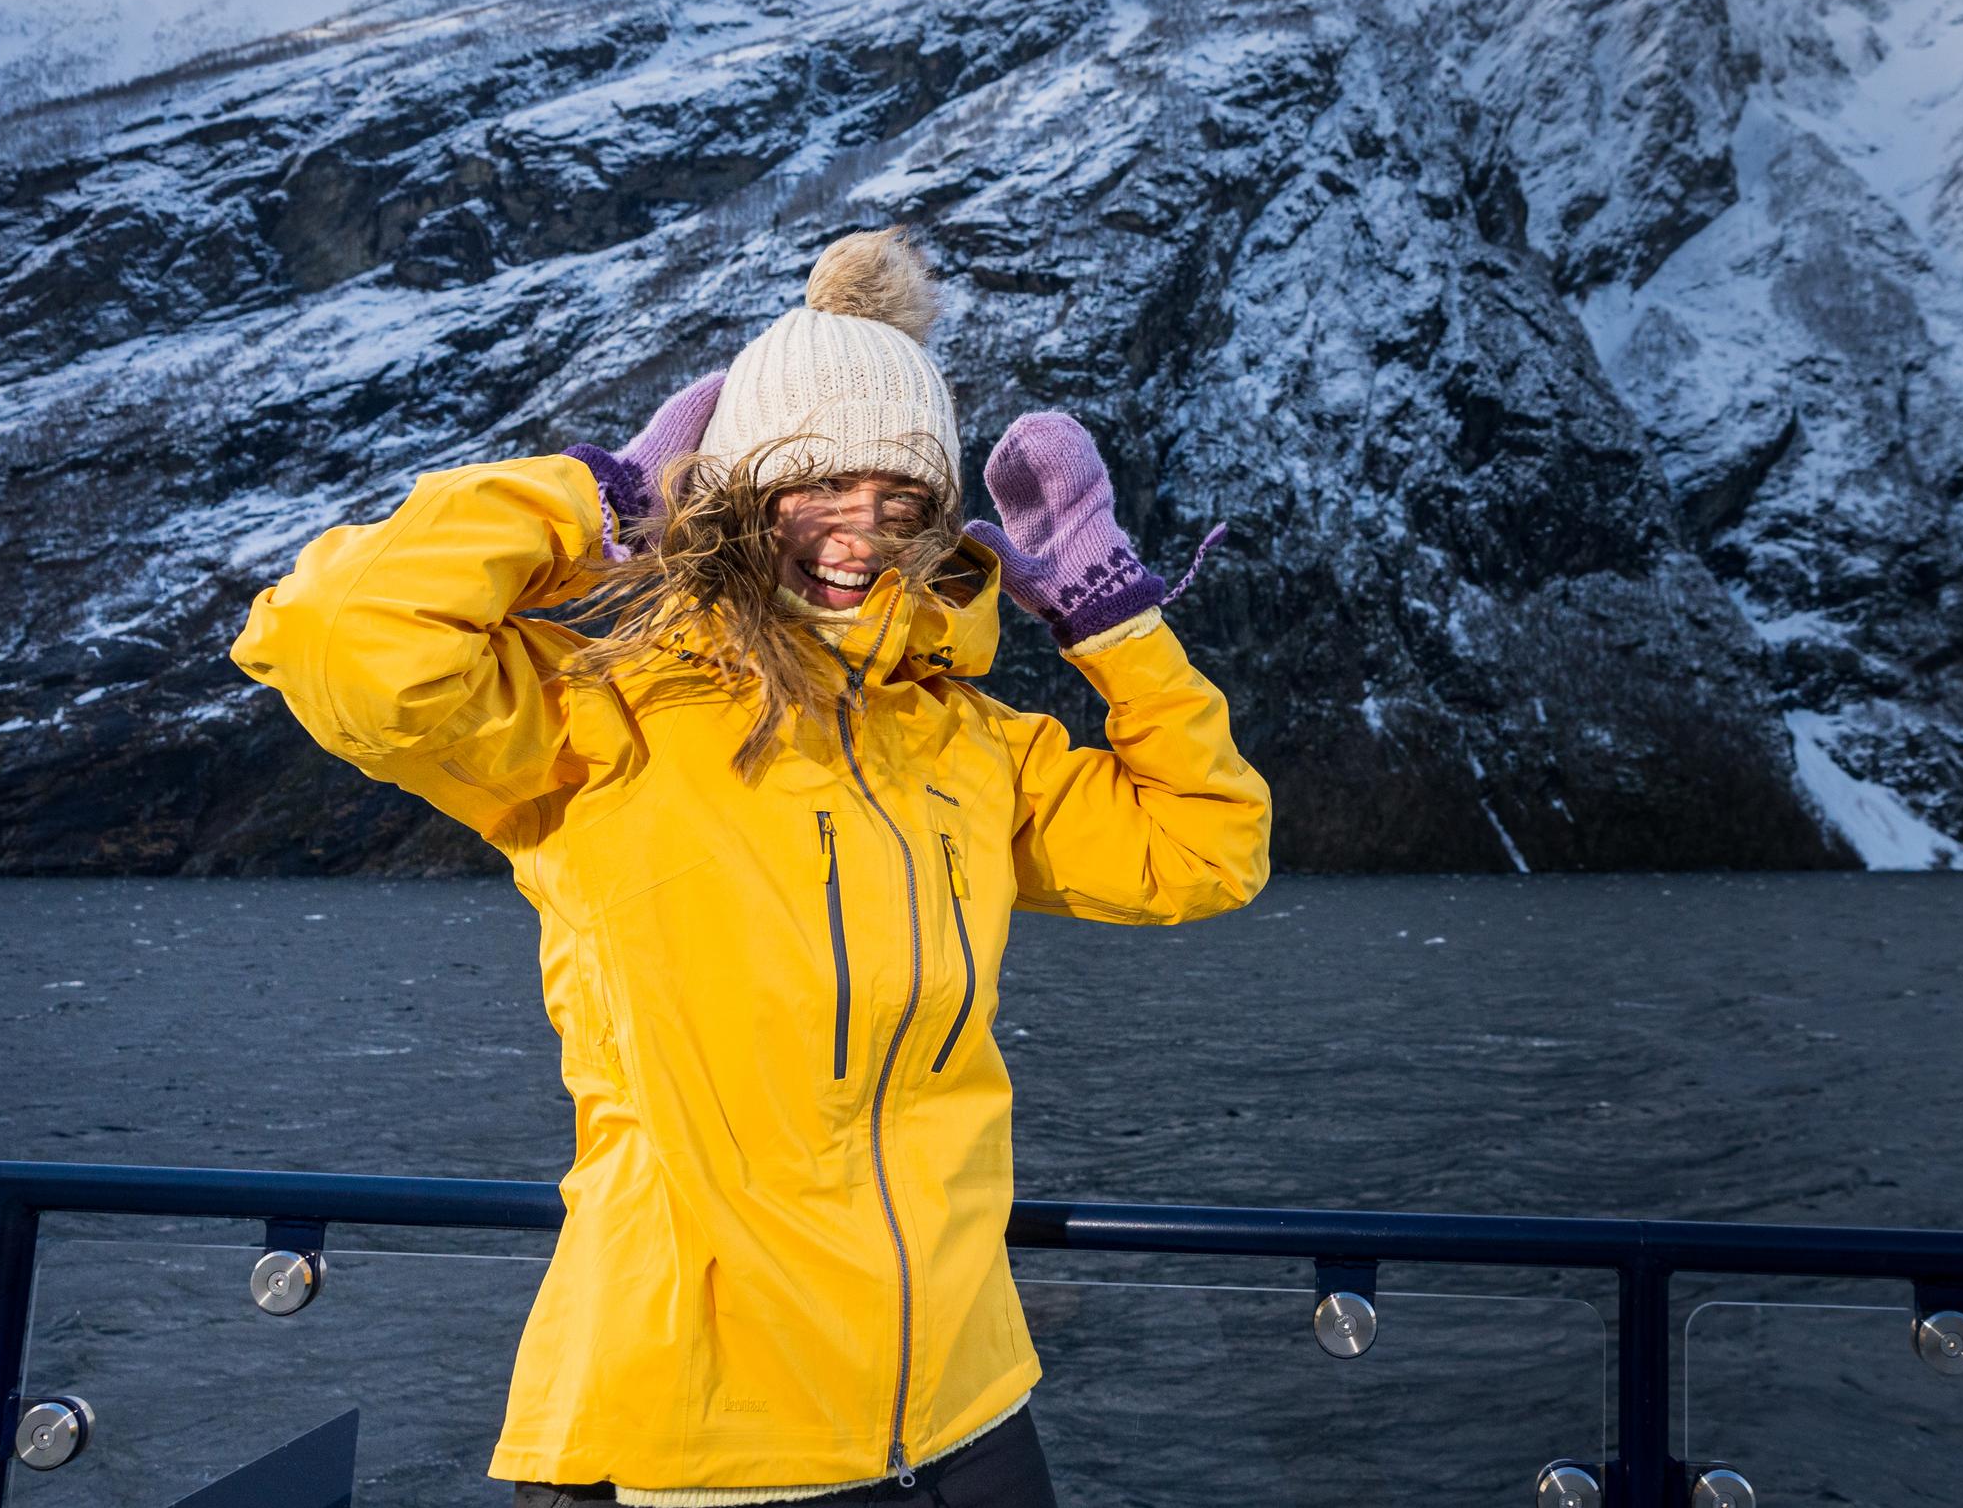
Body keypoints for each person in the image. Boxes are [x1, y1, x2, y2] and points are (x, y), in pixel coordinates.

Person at [231, 227, 1269, 1507]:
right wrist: (599, 500)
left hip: (969, 1410)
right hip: (700, 1442)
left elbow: (1206, 849)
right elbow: (338, 634)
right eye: (815, 489)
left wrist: (1117, 623)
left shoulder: (967, 743)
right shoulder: (603, 719)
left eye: (903, 503)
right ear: (733, 495)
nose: (858, 535)